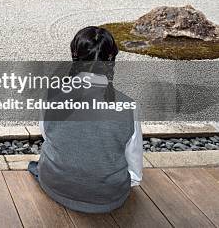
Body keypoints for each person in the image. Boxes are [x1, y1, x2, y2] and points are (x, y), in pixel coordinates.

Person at [28, 26, 143, 213]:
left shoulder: (51, 94)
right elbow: (135, 172)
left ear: (75, 55)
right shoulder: (128, 106)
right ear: (111, 59)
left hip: (55, 185)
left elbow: (48, 136)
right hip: (108, 197)